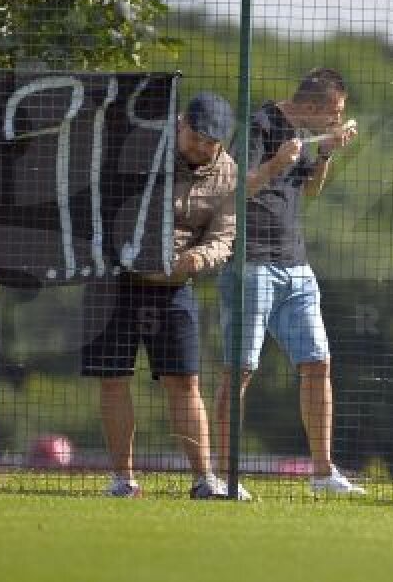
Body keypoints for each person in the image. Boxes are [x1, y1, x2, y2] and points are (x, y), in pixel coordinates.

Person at [81, 92, 240, 499]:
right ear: (180, 124)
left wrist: (196, 260)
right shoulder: (139, 149)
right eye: (196, 137)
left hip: (173, 288)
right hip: (113, 282)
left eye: (212, 142)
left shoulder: (228, 173)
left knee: (185, 381)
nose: (202, 147)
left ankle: (205, 480)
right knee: (114, 380)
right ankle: (123, 480)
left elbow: (224, 238)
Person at [215, 67, 364, 496]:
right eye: (333, 113)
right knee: (239, 369)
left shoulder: (305, 136)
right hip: (251, 264)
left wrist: (326, 154)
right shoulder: (260, 128)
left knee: (318, 362)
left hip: (296, 266)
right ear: (313, 107)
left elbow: (310, 191)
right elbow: (233, 189)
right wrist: (276, 163)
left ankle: (322, 473)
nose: (336, 120)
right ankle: (225, 477)